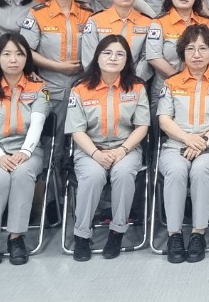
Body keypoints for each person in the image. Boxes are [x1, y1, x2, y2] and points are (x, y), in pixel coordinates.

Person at [154, 24, 209, 264]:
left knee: (201, 170)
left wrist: (203, 140)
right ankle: (175, 235)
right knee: (176, 171)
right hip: (175, 146)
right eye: (190, 49)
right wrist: (188, 139)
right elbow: (164, 119)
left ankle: (198, 234)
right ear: (183, 53)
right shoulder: (171, 83)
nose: (197, 54)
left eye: (202, 49)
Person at [19, 0, 93, 221]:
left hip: (85, 90)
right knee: (53, 148)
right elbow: (25, 50)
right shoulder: (37, 14)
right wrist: (58, 66)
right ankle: (52, 202)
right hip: (52, 89)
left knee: (84, 147)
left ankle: (83, 203)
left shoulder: (88, 14)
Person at [66, 34, 150, 261]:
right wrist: (96, 154)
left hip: (126, 149)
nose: (113, 58)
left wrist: (122, 151)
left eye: (120, 54)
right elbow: (76, 130)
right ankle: (82, 235)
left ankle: (117, 232)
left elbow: (142, 127)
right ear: (97, 57)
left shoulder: (137, 87)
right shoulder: (80, 88)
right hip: (90, 150)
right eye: (107, 53)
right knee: (92, 176)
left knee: (123, 174)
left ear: (127, 60)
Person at [0, 33, 50, 266]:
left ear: (27, 58)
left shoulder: (40, 88)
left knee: (23, 174)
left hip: (27, 151)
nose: (13, 59)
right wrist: (0, 156)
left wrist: (25, 152)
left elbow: (38, 123)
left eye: (19, 54)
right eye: (7, 54)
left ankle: (16, 238)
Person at [80, 0, 154, 83]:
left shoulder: (147, 22)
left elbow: (147, 57)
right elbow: (89, 56)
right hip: (100, 83)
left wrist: (133, 80)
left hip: (135, 83)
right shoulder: (96, 20)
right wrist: (106, 80)